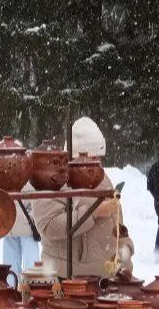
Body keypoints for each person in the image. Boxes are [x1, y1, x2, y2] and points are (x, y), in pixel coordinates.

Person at [29, 117, 121, 277]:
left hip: (105, 275)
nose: (96, 164)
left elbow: (116, 221)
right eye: (92, 158)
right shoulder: (53, 180)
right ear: (75, 156)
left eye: (99, 158)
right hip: (68, 276)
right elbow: (49, 226)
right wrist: (93, 213)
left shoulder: (102, 178)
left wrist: (126, 248)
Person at [3, 194, 40, 276]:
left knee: (10, 265)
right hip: (28, 224)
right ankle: (31, 286)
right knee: (31, 264)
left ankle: (11, 287)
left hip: (8, 222)